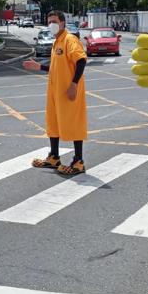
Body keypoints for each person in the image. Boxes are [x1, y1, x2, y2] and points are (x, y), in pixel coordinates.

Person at [22, 10, 88, 175]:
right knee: (53, 122)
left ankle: (78, 161)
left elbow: (81, 60)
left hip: (68, 91)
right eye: (49, 21)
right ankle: (54, 157)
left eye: (54, 21)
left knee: (73, 123)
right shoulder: (57, 42)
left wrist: (74, 84)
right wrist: (40, 67)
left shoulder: (69, 39)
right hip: (55, 91)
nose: (51, 24)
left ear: (62, 23)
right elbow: (58, 68)